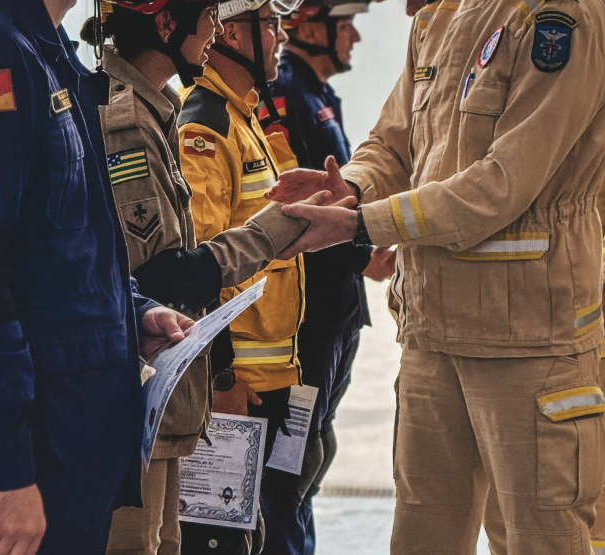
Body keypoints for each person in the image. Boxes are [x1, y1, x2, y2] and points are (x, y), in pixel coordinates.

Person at [267, 0, 605, 551]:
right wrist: (353, 185)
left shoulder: (560, 18)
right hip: (433, 337)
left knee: (540, 537)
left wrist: (363, 222)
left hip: (527, 340)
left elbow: (504, 183)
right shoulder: (440, 18)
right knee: (422, 534)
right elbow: (393, 142)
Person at [0, 0, 192, 552]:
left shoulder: (45, 51)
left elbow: (58, 244)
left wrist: (131, 313)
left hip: (68, 455)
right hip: (25, 463)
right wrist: (4, 472)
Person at [80, 1, 318, 553]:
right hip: (138, 395)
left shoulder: (156, 108)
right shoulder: (127, 118)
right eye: (209, 14)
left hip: (164, 396)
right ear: (166, 24)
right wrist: (281, 229)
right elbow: (160, 274)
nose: (216, 29)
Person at [483, 61, 605, 555]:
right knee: (520, 460)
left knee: (590, 458)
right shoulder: (537, 76)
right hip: (535, 305)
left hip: (599, 305)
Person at [256, 1, 395, 552]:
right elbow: (295, 211)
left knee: (314, 450)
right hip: (307, 322)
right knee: (293, 463)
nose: (357, 35)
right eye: (347, 23)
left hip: (336, 314)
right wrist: (363, 258)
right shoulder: (287, 94)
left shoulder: (318, 95)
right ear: (310, 27)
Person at [175, 0, 313, 551]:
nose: (281, 35)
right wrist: (220, 380)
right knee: (223, 542)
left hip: (274, 378)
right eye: (270, 23)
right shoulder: (204, 126)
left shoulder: (244, 118)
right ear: (231, 32)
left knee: (271, 528)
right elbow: (199, 270)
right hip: (240, 390)